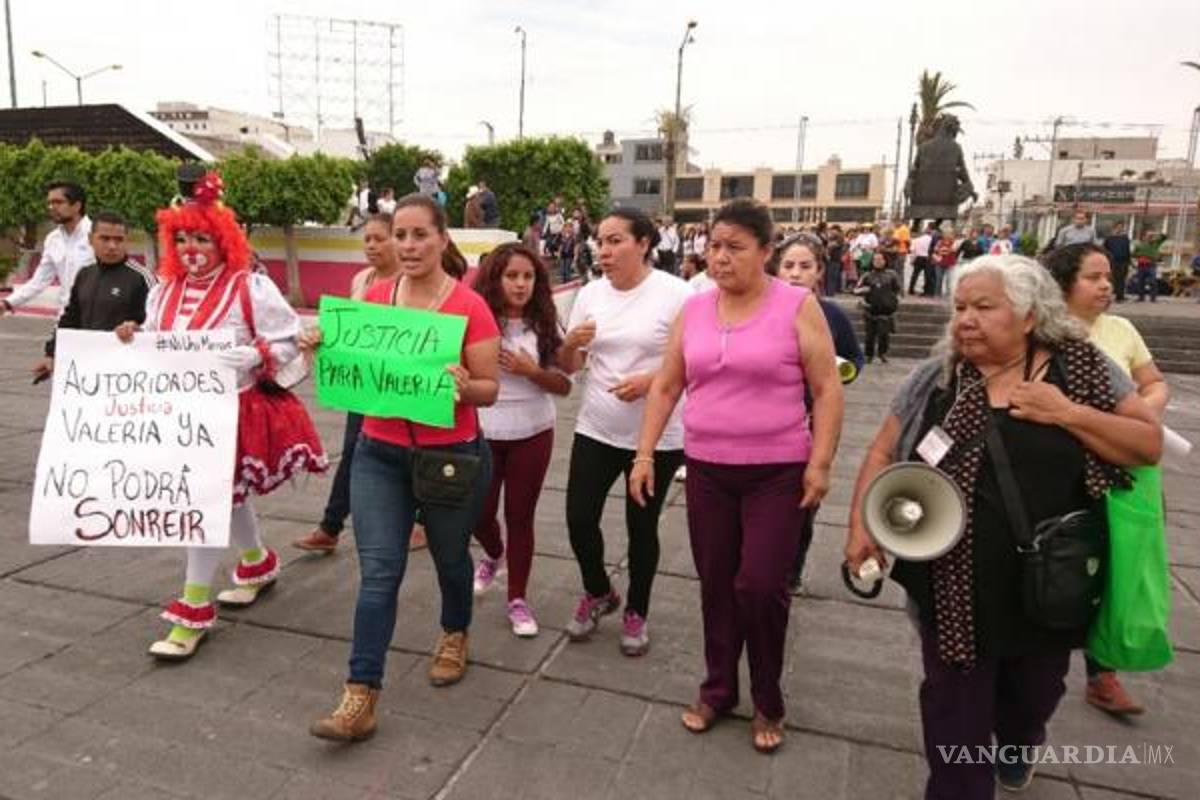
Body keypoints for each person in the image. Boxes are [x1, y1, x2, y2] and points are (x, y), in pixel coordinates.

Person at [844, 255, 1161, 798]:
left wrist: (1066, 412)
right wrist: (859, 526)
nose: (965, 318)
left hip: (1050, 584)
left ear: (1030, 315)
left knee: (1033, 693)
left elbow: (1147, 444)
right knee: (954, 711)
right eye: (961, 306)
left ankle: (1018, 741)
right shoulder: (936, 377)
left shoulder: (1082, 369)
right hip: (950, 584)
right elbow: (881, 451)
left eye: (984, 307)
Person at [629, 199, 844, 754]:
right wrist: (646, 454)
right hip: (708, 471)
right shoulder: (695, 310)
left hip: (778, 472)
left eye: (734, 247)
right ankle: (719, 687)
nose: (719, 258)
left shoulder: (797, 306)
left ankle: (768, 697)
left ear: (766, 252)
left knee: (762, 586)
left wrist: (819, 463)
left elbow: (827, 387)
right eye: (714, 245)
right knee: (717, 583)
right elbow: (667, 385)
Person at [309, 193, 499, 742]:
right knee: (379, 573)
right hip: (378, 453)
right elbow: (348, 372)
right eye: (401, 235)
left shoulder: (468, 306)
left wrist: (467, 384)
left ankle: (455, 631)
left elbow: (490, 389)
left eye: (420, 235)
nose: (409, 245)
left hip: (451, 457)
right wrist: (323, 345)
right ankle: (360, 696)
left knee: (448, 558)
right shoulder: (371, 301)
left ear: (443, 239)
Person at [116, 172, 327, 661]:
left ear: (222, 240)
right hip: (180, 415)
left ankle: (192, 611)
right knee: (222, 499)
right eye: (182, 238)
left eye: (201, 238)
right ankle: (256, 562)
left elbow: (292, 336)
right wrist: (132, 335)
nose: (191, 248)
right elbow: (155, 341)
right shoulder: (162, 292)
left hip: (233, 412)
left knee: (206, 505)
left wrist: (256, 353)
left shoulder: (248, 287)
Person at [558, 206, 692, 656]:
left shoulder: (677, 294)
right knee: (578, 518)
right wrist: (569, 345)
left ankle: (637, 609)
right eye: (601, 240)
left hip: (657, 437)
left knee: (642, 529)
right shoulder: (590, 294)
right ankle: (599, 591)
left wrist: (650, 382)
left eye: (616, 240)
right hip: (596, 425)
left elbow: (696, 363)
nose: (604, 250)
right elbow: (569, 367)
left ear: (645, 244)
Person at [1044, 242, 1170, 717]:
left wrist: (1142, 414)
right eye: (1092, 277)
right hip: (1065, 468)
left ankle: (1103, 670)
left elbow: (1153, 383)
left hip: (1118, 461)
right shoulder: (1048, 333)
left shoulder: (1120, 330)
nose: (1105, 287)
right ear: (1062, 284)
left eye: (1107, 278)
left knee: (1117, 564)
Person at [294, 213, 411, 553]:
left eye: (380, 238)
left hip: (401, 386)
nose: (372, 246)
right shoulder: (361, 280)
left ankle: (419, 520)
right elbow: (350, 333)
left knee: (410, 453)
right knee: (355, 452)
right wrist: (322, 340)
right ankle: (331, 526)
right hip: (363, 386)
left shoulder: (410, 282)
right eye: (367, 240)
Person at [470, 243, 570, 637]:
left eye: (528, 276)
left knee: (520, 516)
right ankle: (494, 553)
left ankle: (517, 599)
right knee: (478, 511)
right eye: (512, 276)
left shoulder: (546, 323)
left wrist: (532, 371)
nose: (520, 284)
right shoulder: (477, 320)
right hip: (482, 432)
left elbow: (563, 385)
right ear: (495, 278)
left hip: (533, 433)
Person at [771, 232, 863, 593]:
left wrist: (843, 372)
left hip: (813, 424)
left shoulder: (832, 316)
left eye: (805, 266)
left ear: (819, 272)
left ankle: (792, 569)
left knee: (804, 504)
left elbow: (854, 358)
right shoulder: (764, 309)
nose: (795, 273)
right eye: (788, 265)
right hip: (771, 422)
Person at [33, 211, 155, 382]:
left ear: (126, 241)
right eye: (104, 239)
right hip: (86, 370)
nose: (112, 245)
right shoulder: (85, 274)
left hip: (125, 375)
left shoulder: (142, 278)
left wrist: (137, 328)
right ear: (91, 239)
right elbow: (70, 318)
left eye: (119, 239)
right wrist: (50, 354)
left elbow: (156, 324)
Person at [1, 182, 94, 318]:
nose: (51, 207)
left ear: (77, 206)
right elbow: (40, 281)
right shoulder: (53, 239)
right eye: (49, 203)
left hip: (98, 319)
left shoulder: (98, 235)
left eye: (58, 202)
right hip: (66, 317)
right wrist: (7, 303)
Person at [854, 250, 901, 364]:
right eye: (876, 259)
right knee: (870, 334)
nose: (878, 262)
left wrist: (895, 302)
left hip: (886, 310)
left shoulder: (891, 275)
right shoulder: (867, 275)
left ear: (885, 261)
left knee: (883, 334)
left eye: (880, 259)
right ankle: (868, 355)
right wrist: (862, 292)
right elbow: (856, 290)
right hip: (870, 309)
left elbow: (897, 290)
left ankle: (882, 353)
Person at [1131, 228, 1167, 302]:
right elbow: (1133, 254)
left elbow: (1164, 237)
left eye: (1151, 236)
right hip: (1141, 265)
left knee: (1152, 281)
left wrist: (1155, 233)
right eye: (1148, 236)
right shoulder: (1139, 245)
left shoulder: (1156, 243)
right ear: (1144, 237)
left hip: (1151, 265)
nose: (1149, 237)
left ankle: (1153, 298)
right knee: (1141, 281)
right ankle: (1141, 297)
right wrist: (1140, 256)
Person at [1102, 221, 1132, 302]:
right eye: (1118, 227)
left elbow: (1127, 250)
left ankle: (1120, 296)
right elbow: (1104, 250)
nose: (1120, 229)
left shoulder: (1125, 238)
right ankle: (1107, 296)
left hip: (1123, 261)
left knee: (1122, 279)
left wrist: (1129, 261)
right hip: (1112, 261)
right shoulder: (1109, 238)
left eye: (1121, 227)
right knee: (1111, 279)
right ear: (1114, 228)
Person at [910, 224, 934, 295]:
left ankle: (911, 289)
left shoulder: (916, 240)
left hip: (918, 257)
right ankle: (926, 291)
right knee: (927, 275)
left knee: (915, 274)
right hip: (927, 258)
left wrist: (912, 259)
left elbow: (912, 250)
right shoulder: (931, 239)